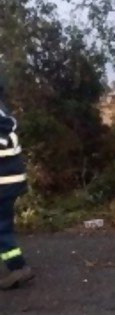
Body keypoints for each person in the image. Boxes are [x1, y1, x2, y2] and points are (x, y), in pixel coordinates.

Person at [0, 72, 34, 290]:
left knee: (1, 228)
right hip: (8, 181)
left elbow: (2, 140)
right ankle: (17, 266)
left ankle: (18, 267)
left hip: (4, 182)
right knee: (3, 227)